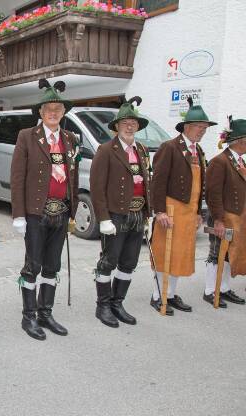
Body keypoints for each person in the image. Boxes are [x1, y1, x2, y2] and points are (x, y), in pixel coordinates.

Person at [10, 79, 79, 340]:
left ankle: (45, 313)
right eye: (48, 108)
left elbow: (73, 177)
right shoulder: (27, 137)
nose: (53, 113)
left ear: (63, 113)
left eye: (58, 109)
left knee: (52, 265)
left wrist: (72, 212)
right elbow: (17, 177)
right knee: (33, 265)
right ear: (40, 112)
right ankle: (29, 317)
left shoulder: (70, 139)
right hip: (36, 213)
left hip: (60, 212)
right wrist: (18, 215)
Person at [90, 97, 151, 328]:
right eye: (124, 122)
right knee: (108, 261)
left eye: (133, 123)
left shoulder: (142, 150)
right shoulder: (106, 150)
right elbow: (97, 188)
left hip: (137, 214)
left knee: (129, 262)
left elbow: (147, 182)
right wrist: (104, 218)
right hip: (115, 216)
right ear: (116, 126)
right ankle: (103, 305)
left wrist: (150, 213)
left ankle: (118, 302)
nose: (129, 126)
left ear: (137, 126)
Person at [149, 98, 215, 314]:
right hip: (170, 210)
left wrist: (198, 212)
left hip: (188, 213)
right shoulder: (169, 148)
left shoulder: (199, 151)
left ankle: (171, 294)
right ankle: (158, 296)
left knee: (179, 255)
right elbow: (157, 182)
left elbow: (199, 185)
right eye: (199, 127)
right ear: (186, 127)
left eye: (204, 128)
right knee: (163, 253)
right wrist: (159, 211)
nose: (202, 131)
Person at [203, 117, 246, 307]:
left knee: (230, 254)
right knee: (215, 253)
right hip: (222, 217)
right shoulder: (219, 162)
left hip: (236, 218)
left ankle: (224, 289)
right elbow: (213, 194)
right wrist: (218, 220)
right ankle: (210, 291)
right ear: (240, 141)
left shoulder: (238, 161)